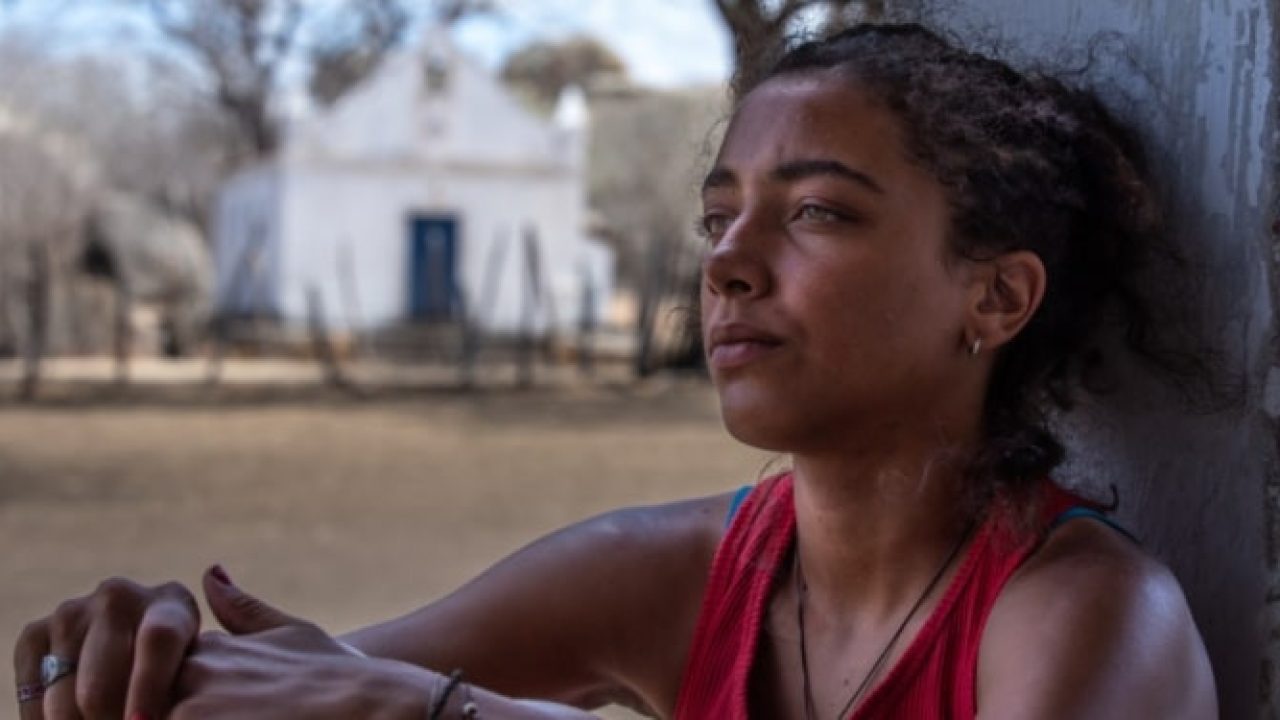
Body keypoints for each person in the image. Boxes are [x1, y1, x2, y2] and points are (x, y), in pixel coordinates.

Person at [14, 23, 1218, 720]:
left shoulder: (1088, 618)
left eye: (816, 213)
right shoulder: (666, 571)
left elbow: (391, 706)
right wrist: (146, 656)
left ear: (995, 297)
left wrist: (436, 712)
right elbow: (316, 687)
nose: (727, 264)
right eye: (717, 217)